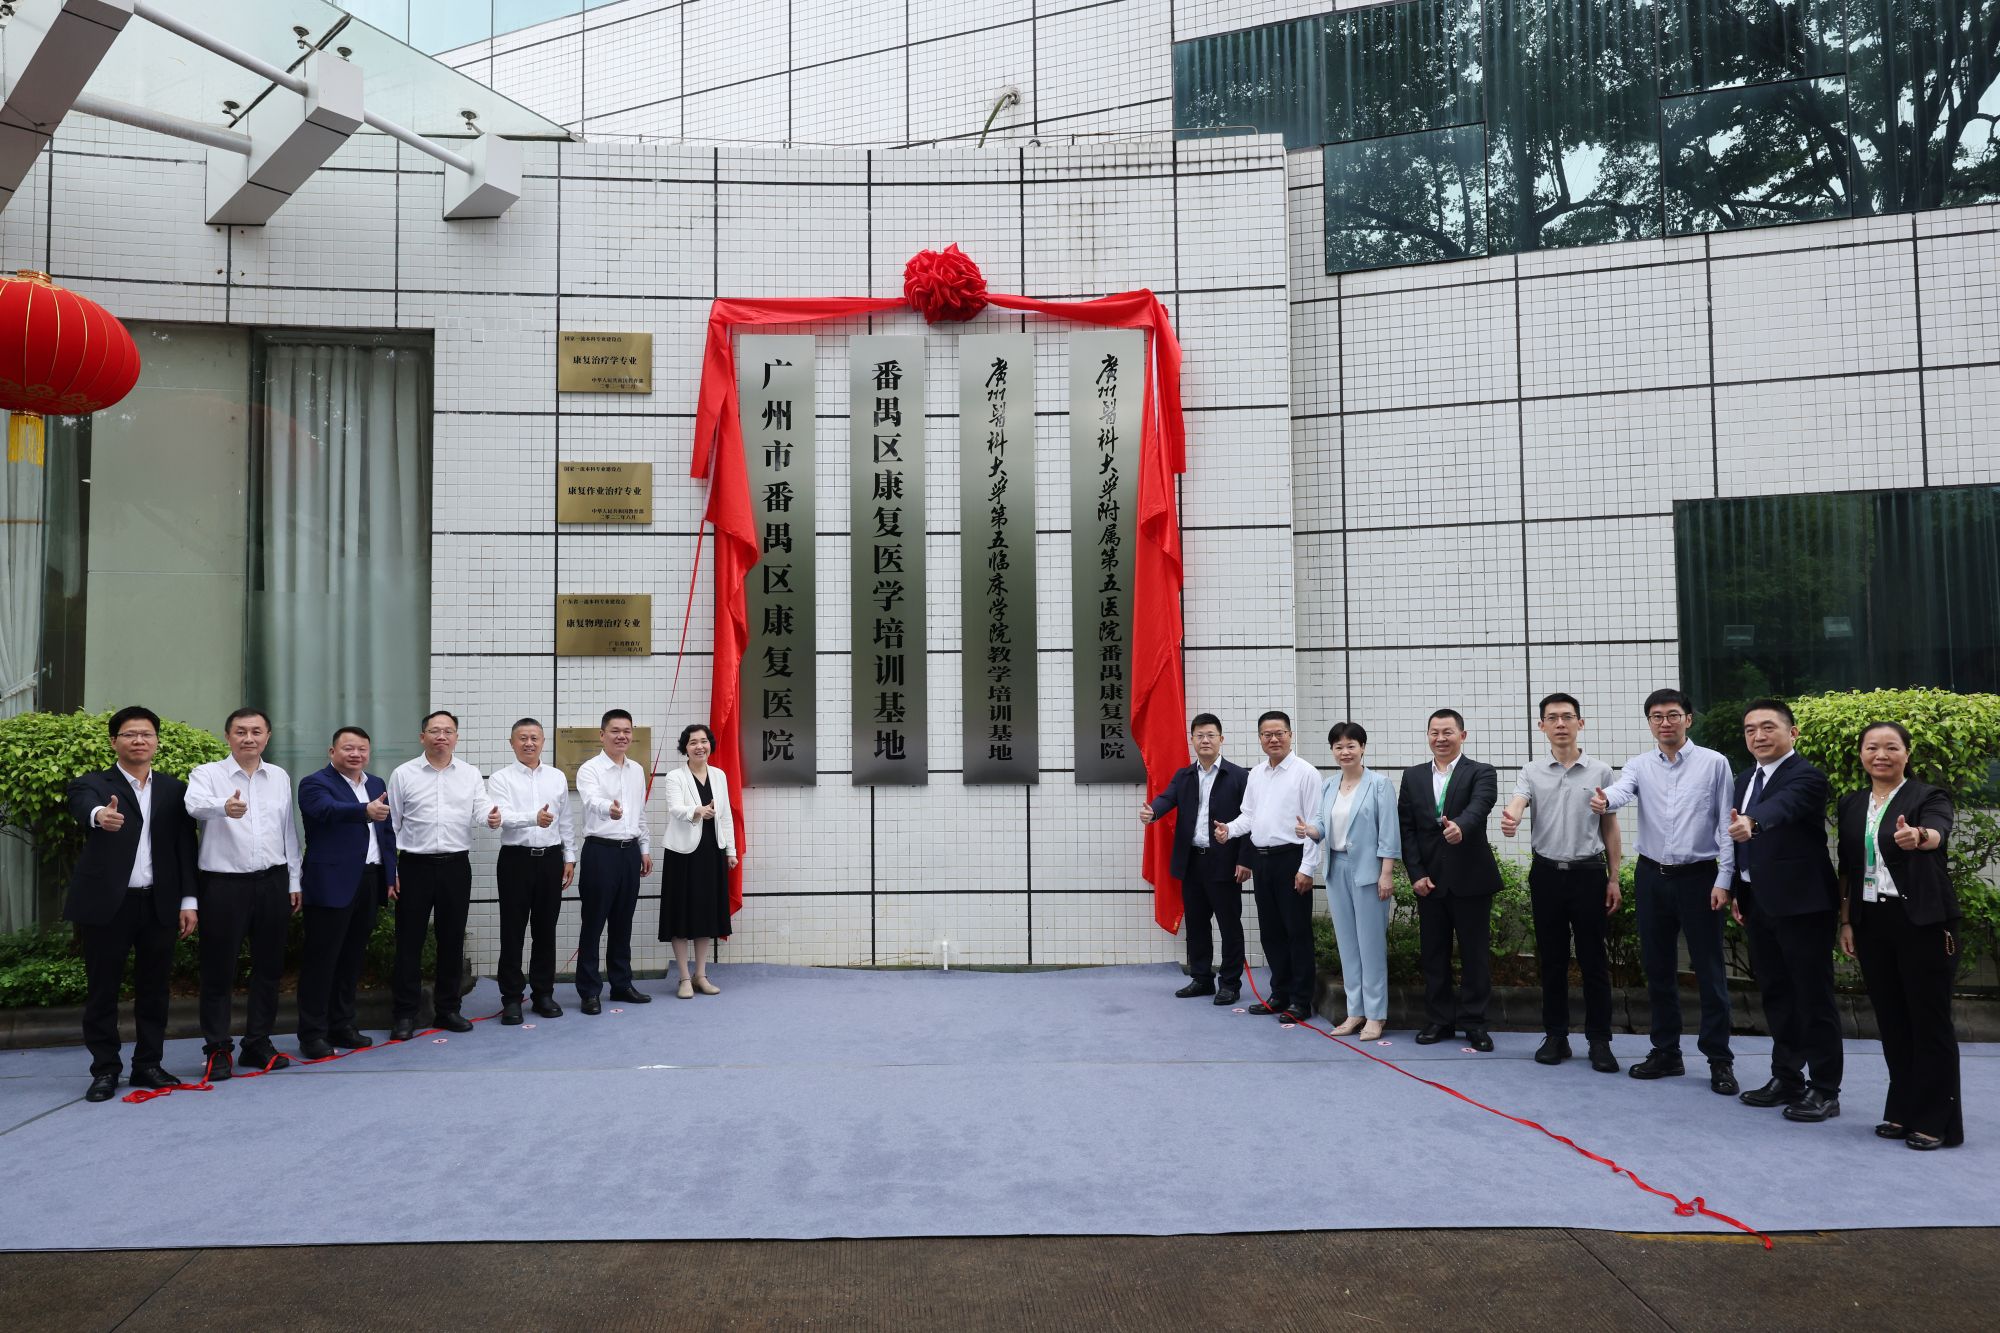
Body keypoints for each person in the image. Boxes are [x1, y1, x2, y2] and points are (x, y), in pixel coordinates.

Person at [1591, 688, 1738, 1094]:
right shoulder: (1639, 765)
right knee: (1657, 968)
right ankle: (1666, 1052)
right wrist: (1604, 800)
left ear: (1688, 719)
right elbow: (1621, 791)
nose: (1665, 723)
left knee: (1709, 970)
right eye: (1656, 717)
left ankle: (1719, 1060)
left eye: (1673, 715)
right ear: (1649, 723)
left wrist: (1725, 878)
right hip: (1652, 876)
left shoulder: (1714, 763)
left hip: (1699, 877)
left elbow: (1727, 824)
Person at [1838, 722, 1963, 1150]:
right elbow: (1849, 867)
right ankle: (1902, 1109)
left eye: (1891, 747)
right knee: (1892, 1020)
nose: (1881, 755)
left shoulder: (1928, 797)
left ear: (1907, 754)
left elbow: (1937, 833)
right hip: (1872, 921)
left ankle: (1936, 1120)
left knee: (1929, 1021)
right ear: (1861, 754)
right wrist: (1847, 921)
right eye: (1872, 747)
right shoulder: (1852, 803)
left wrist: (1919, 836)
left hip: (1922, 921)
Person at [64, 706, 199, 1102]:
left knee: (155, 989)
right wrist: (99, 816)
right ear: (114, 741)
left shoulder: (174, 790)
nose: (139, 740)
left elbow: (184, 848)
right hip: (109, 905)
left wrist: (188, 900)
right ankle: (105, 1069)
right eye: (129, 734)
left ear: (156, 741)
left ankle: (148, 1063)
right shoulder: (91, 784)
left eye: (146, 734)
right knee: (102, 990)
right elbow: (83, 806)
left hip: (159, 903)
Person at [1728, 699, 1842, 1122]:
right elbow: (1741, 845)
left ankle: (1825, 1088)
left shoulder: (1807, 776)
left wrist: (1753, 822)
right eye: (1750, 729)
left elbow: (1781, 807)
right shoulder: (1745, 778)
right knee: (1776, 994)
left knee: (1813, 996)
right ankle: (1787, 1077)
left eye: (1768, 727)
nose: (1758, 736)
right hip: (1759, 903)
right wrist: (1739, 889)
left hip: (1803, 905)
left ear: (1792, 733)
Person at [1500, 694, 1622, 1073]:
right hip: (1547, 875)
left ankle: (1600, 1040)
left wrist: (1614, 877)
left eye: (1567, 717)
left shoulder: (1601, 771)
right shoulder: (1532, 770)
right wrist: (1511, 817)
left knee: (1593, 960)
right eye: (1552, 718)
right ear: (1542, 726)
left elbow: (1610, 826)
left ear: (1580, 723)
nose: (1560, 724)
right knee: (1551, 960)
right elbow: (1518, 801)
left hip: (1589, 874)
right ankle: (1556, 1036)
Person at [185, 707, 303, 1080]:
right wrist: (224, 807)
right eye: (240, 731)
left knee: (269, 967)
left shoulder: (279, 776)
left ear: (267, 736)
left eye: (256, 731)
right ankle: (218, 1048)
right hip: (223, 885)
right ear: (228, 736)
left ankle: (258, 1042)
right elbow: (193, 806)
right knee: (218, 969)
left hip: (272, 881)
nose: (248, 738)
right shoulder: (207, 774)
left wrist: (294, 880)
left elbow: (287, 830)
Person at [1397, 709, 1502, 1050]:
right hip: (1430, 881)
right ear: (1428, 736)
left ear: (1462, 735)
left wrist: (1462, 826)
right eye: (1434, 732)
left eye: (1447, 732)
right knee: (1433, 955)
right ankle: (1439, 1020)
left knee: (1475, 955)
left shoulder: (1481, 771)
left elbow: (1481, 805)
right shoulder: (1413, 776)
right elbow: (1407, 829)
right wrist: (1416, 873)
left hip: (1471, 878)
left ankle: (1475, 1022)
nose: (1440, 738)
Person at [386, 710, 489, 1040]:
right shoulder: (403, 774)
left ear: (456, 737)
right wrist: (392, 869)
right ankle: (405, 1014)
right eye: (434, 730)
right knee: (409, 941)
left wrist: (494, 817)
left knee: (452, 940)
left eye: (448, 731)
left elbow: (482, 809)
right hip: (414, 866)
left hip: (456, 866)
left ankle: (448, 1009)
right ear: (423, 737)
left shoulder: (470, 774)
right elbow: (391, 825)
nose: (441, 736)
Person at [1214, 711, 1322, 1024]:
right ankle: (1280, 993)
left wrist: (1307, 868)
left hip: (1292, 859)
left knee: (1297, 932)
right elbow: (1249, 815)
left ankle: (1301, 1000)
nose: (1273, 739)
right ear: (1260, 738)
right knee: (1271, 932)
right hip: (1262, 861)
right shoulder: (1257, 774)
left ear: (1290, 735)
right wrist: (1229, 830)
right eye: (1267, 734)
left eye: (1279, 733)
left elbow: (1314, 823)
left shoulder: (1306, 773)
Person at [296, 726, 397, 1060]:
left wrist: (390, 874)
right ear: (332, 752)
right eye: (348, 748)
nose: (356, 754)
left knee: (352, 959)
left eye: (362, 749)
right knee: (321, 961)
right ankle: (312, 1033)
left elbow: (386, 832)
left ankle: (343, 1024)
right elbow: (325, 811)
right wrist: (364, 811)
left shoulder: (376, 784)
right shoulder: (314, 783)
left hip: (368, 880)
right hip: (330, 882)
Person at [1300, 722, 1399, 1040]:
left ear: (1363, 748)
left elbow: (1389, 832)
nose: (1345, 752)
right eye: (1338, 747)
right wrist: (1310, 831)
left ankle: (1376, 1015)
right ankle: (1355, 1011)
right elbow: (1321, 822)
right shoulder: (1329, 785)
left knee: (1371, 946)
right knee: (1348, 946)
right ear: (1332, 751)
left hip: (1370, 872)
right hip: (1337, 869)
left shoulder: (1379, 785)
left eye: (1351, 745)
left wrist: (1386, 873)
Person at [1142, 712, 1249, 1004]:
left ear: (1221, 739)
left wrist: (1245, 860)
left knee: (1229, 925)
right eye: (1199, 735)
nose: (1205, 740)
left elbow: (1250, 820)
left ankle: (1230, 983)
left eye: (1210, 735)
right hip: (1192, 862)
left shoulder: (1239, 776)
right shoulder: (1184, 776)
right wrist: (1153, 811)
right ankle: (1201, 978)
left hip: (1224, 863)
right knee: (1197, 924)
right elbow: (1167, 798)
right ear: (1192, 740)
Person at [485, 718, 576, 1024]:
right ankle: (511, 998)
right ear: (512, 743)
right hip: (515, 860)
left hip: (550, 859)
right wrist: (532, 819)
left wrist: (569, 857)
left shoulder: (556, 777)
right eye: (522, 738)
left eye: (534, 737)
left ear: (543, 742)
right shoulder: (500, 778)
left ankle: (543, 993)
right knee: (512, 931)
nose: (529, 743)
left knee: (545, 930)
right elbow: (502, 816)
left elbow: (566, 821)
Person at [575, 708, 654, 1014]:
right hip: (600, 851)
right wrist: (609, 808)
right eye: (615, 731)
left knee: (623, 923)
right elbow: (591, 799)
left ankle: (621, 985)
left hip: (629, 852)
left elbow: (640, 813)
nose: (622, 736)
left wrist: (644, 848)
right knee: (593, 923)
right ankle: (589, 991)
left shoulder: (636, 770)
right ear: (602, 735)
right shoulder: (590, 769)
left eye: (627, 731)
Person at [659, 723, 739, 999]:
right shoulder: (675, 776)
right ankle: (684, 977)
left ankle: (701, 975)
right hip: (682, 854)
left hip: (711, 852)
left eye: (704, 741)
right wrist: (697, 810)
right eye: (693, 742)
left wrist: (730, 851)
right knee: (680, 914)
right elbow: (675, 808)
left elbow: (725, 815)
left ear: (710, 745)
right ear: (685, 747)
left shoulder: (719, 775)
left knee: (705, 913)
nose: (699, 746)